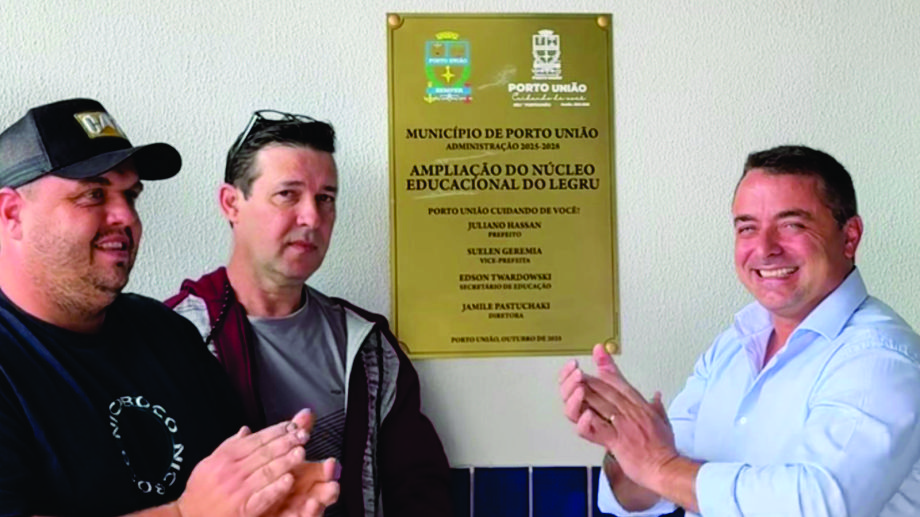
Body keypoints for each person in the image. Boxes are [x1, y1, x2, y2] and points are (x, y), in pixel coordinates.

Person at [0, 98, 339, 517]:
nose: (126, 216)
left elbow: (233, 488)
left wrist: (273, 498)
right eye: (93, 194)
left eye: (131, 196)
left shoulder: (165, 331)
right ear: (12, 214)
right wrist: (184, 514)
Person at [559, 145, 920, 517]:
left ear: (850, 237)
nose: (764, 248)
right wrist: (624, 441)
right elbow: (647, 494)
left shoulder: (883, 358)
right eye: (748, 228)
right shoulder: (733, 345)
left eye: (792, 225)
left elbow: (818, 506)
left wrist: (659, 466)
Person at [166, 109, 451, 516]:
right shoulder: (170, 339)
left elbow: (419, 488)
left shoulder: (368, 349)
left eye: (325, 198)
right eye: (288, 194)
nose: (312, 217)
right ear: (231, 203)